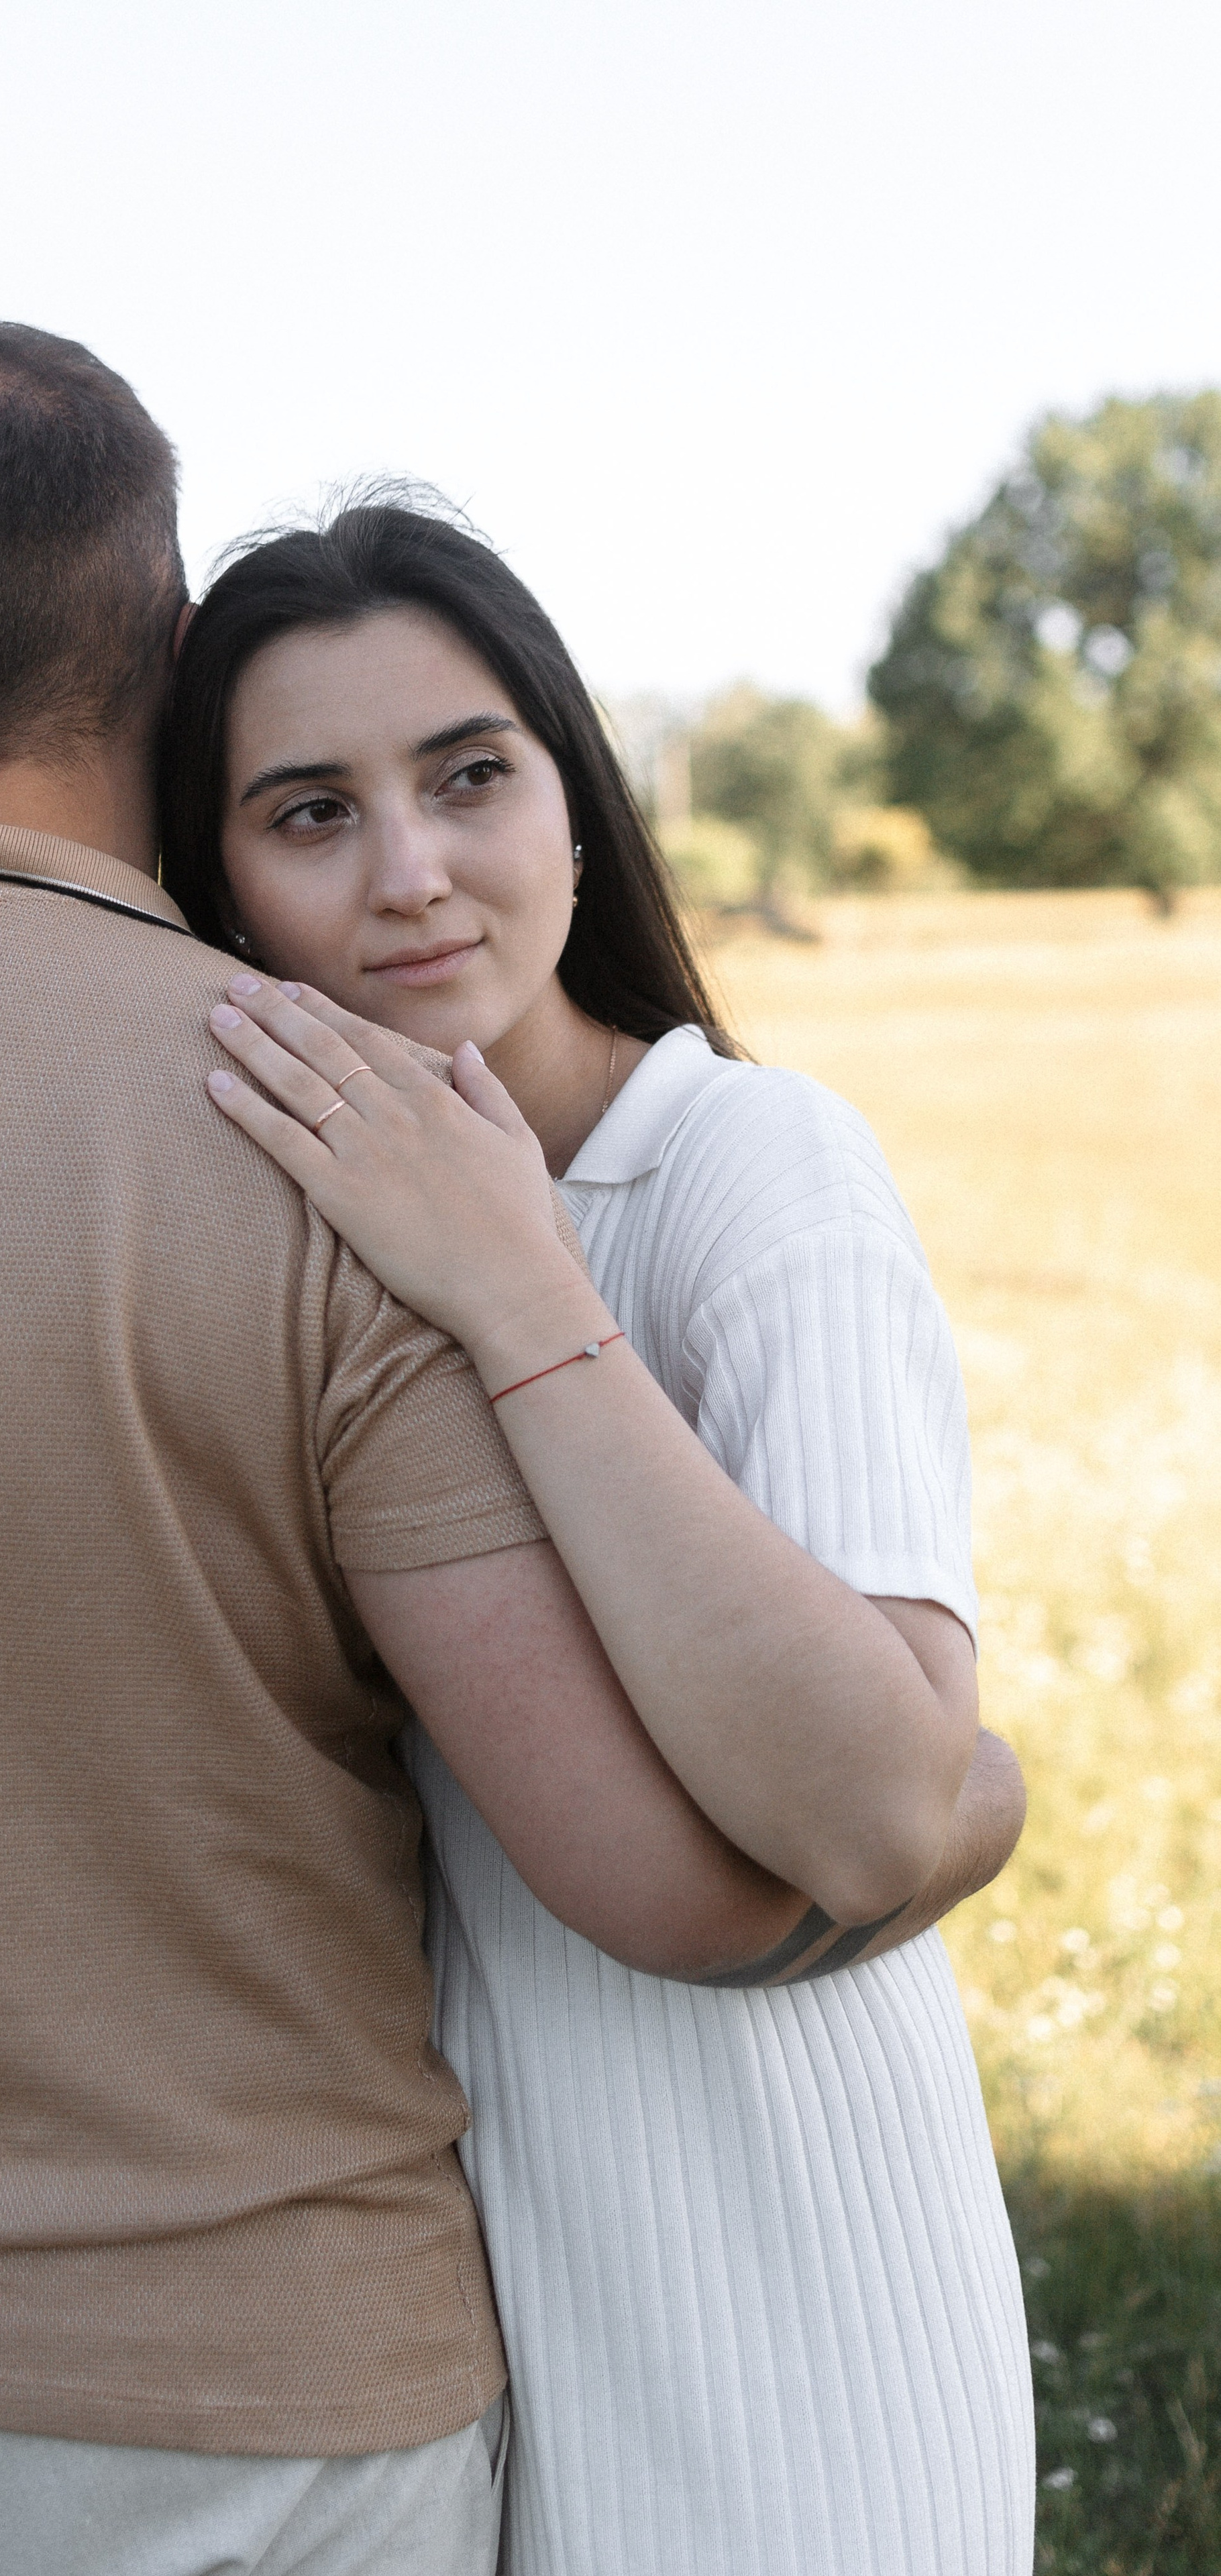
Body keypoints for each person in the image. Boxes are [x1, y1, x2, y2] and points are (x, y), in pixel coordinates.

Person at [0, 328, 866, 2576]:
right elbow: (666, 1886)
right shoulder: (330, 1137)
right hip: (236, 2412)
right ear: (167, 658)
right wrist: (935, 1795)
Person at [156, 494, 1039, 2576]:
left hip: (783, 2298)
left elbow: (874, 1807)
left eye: (469, 776)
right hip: (447, 2320)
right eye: (311, 813)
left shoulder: (747, 1169)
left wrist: (522, 1290)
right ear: (219, 888)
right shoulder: (262, 1249)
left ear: (574, 806)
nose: (410, 871)